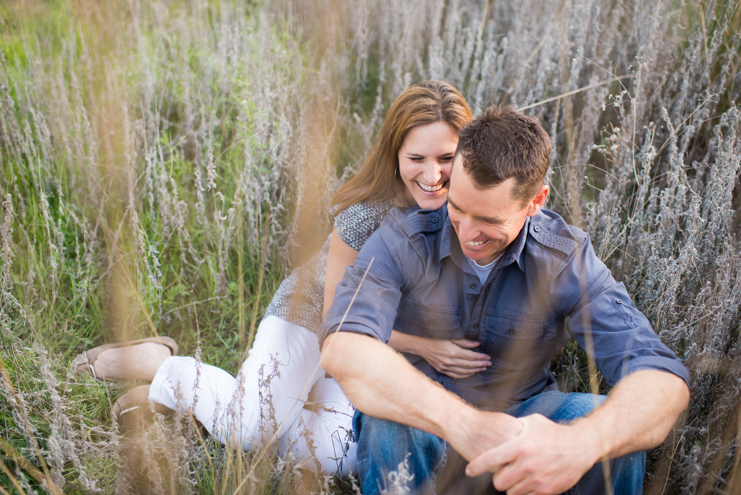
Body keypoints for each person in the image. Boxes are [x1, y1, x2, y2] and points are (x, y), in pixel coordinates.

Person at [72, 81, 482, 475]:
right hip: (311, 319)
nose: (432, 175)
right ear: (395, 154)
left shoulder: (471, 212)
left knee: (346, 456)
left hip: (371, 354)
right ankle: (171, 372)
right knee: (252, 429)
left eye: (446, 158)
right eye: (417, 159)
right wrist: (428, 349)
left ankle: (228, 407)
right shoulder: (366, 216)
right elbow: (336, 322)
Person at [319, 106, 690, 494]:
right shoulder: (403, 239)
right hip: (425, 423)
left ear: (536, 201)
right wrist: (465, 425)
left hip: (524, 423)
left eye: (490, 221)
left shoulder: (564, 258)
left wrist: (581, 444)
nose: (468, 233)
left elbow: (663, 378)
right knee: (388, 422)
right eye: (458, 208)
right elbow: (342, 346)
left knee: (603, 428)